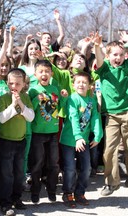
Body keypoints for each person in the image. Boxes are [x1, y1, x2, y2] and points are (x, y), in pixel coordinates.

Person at [93, 33, 128, 196]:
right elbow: (99, 59)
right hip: (112, 115)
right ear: (108, 56)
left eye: (121, 55)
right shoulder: (105, 68)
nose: (118, 58)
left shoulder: (126, 66)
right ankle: (111, 182)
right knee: (109, 150)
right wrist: (97, 46)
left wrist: (126, 43)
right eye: (115, 55)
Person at [60, 72, 103, 207]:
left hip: (83, 141)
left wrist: (97, 136)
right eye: (78, 82)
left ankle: (80, 192)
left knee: (86, 168)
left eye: (84, 82)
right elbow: (73, 118)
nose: (81, 84)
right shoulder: (72, 99)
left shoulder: (91, 100)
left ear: (90, 86)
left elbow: (95, 118)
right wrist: (78, 138)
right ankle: (68, 193)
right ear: (73, 85)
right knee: (70, 168)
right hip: (69, 141)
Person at [28, 60, 67, 204]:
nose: (44, 74)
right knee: (37, 163)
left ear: (51, 73)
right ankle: (35, 191)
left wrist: (63, 97)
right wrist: (35, 100)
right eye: (41, 71)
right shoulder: (33, 90)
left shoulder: (54, 89)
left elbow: (58, 108)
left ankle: (51, 190)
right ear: (35, 74)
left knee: (54, 164)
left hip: (52, 132)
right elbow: (29, 111)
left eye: (47, 71)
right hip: (38, 132)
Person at [0, 68, 34, 216]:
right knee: (6, 174)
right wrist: (13, 105)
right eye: (11, 83)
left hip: (21, 140)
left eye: (18, 84)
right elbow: (1, 118)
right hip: (5, 141)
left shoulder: (25, 97)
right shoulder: (4, 98)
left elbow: (30, 117)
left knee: (19, 173)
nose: (14, 87)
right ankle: (5, 203)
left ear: (24, 84)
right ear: (7, 83)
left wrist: (21, 104)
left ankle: (16, 198)